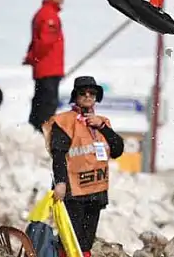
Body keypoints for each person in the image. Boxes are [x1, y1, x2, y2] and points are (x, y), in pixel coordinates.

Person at [44, 76, 123, 257]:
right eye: (83, 93)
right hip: (74, 192)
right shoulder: (65, 121)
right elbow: (58, 154)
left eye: (92, 93)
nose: (88, 96)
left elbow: (118, 149)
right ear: (75, 96)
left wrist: (102, 127)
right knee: (71, 239)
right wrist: (61, 182)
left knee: (86, 241)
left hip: (96, 190)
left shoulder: (103, 122)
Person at [25, 0, 68, 131]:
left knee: (41, 102)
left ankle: (36, 132)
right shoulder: (48, 15)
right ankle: (42, 134)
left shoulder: (45, 13)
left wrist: (32, 58)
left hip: (45, 67)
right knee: (47, 104)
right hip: (48, 67)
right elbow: (44, 43)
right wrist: (35, 58)